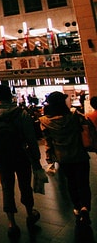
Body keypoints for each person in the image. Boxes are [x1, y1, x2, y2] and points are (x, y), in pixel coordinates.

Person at [0, 84, 45, 237]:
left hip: (3, 156)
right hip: (20, 153)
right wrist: (36, 158)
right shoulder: (21, 113)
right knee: (25, 184)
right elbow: (31, 137)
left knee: (7, 186)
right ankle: (30, 213)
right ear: (11, 95)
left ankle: (11, 222)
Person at [39, 91, 92, 225]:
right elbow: (86, 125)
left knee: (71, 182)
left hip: (63, 157)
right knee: (83, 183)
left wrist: (49, 158)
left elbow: (48, 141)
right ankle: (86, 206)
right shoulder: (74, 115)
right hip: (79, 155)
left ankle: (77, 207)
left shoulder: (44, 121)